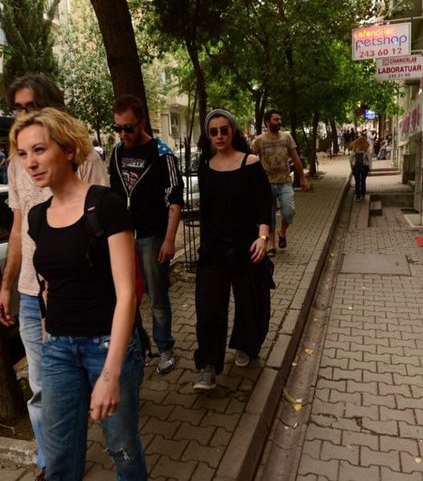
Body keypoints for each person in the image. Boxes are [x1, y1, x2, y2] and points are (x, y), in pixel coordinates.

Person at [9, 108, 151, 481]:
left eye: (39, 149)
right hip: (58, 349)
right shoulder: (36, 217)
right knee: (61, 460)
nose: (30, 161)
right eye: (23, 154)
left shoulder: (105, 204)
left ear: (68, 149)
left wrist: (109, 374)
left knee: (120, 440)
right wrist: (47, 325)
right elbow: (50, 282)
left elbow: (127, 294)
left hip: (107, 345)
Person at [0, 74, 108, 481]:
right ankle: (51, 469)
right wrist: (7, 284)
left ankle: (121, 462)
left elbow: (108, 228)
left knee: (98, 386)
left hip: (78, 292)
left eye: (29, 107)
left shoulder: (83, 157)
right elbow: (18, 229)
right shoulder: (16, 163)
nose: (21, 115)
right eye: (16, 109)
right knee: (42, 388)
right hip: (31, 292)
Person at [194, 109, 273, 391]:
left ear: (233, 131)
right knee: (208, 307)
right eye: (213, 131)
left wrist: (262, 238)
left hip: (246, 245)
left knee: (249, 301)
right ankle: (208, 365)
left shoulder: (250, 162)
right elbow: (206, 212)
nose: (219, 136)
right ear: (208, 135)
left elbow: (264, 204)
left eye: (224, 130)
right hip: (214, 248)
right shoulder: (205, 167)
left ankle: (246, 345)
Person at [109, 94, 184, 374]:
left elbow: (175, 199)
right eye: (118, 128)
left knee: (157, 297)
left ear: (142, 123)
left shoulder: (162, 154)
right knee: (126, 295)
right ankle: (138, 345)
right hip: (123, 237)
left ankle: (165, 347)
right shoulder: (117, 153)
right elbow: (114, 194)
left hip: (152, 237)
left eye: (128, 128)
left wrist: (169, 239)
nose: (123, 134)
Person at [252, 109, 309, 256]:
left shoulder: (286, 137)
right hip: (266, 184)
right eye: (276, 119)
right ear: (267, 122)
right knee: (269, 215)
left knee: (289, 211)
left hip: (285, 182)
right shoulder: (259, 140)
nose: (279, 122)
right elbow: (251, 160)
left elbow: (296, 158)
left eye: (280, 119)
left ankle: (282, 231)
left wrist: (302, 178)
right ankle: (271, 244)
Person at [350, 133, 371, 201]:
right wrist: (370, 168)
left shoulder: (355, 150)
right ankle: (363, 195)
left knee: (357, 181)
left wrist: (352, 167)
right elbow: (369, 159)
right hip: (364, 167)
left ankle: (358, 196)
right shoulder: (366, 150)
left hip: (356, 167)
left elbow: (350, 159)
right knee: (363, 181)